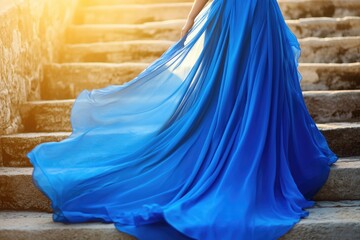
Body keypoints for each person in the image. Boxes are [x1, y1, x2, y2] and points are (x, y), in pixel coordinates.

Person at [27, 0, 338, 239]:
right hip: (248, 13)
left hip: (250, 13)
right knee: (236, 85)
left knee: (243, 85)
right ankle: (240, 144)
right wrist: (193, 16)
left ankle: (242, 141)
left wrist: (193, 15)